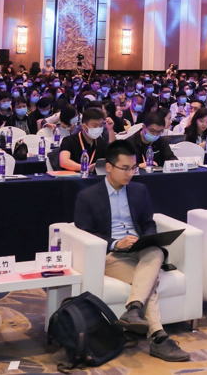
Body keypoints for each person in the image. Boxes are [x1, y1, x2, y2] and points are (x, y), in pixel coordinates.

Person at [73, 140, 190, 362]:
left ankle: (133, 310)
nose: (130, 174)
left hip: (140, 249)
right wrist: (115, 243)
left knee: (156, 251)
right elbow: (85, 231)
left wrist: (146, 238)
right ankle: (158, 337)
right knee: (149, 282)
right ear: (109, 167)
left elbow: (148, 223)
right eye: (125, 168)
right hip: (111, 255)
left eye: (133, 168)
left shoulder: (139, 190)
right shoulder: (87, 196)